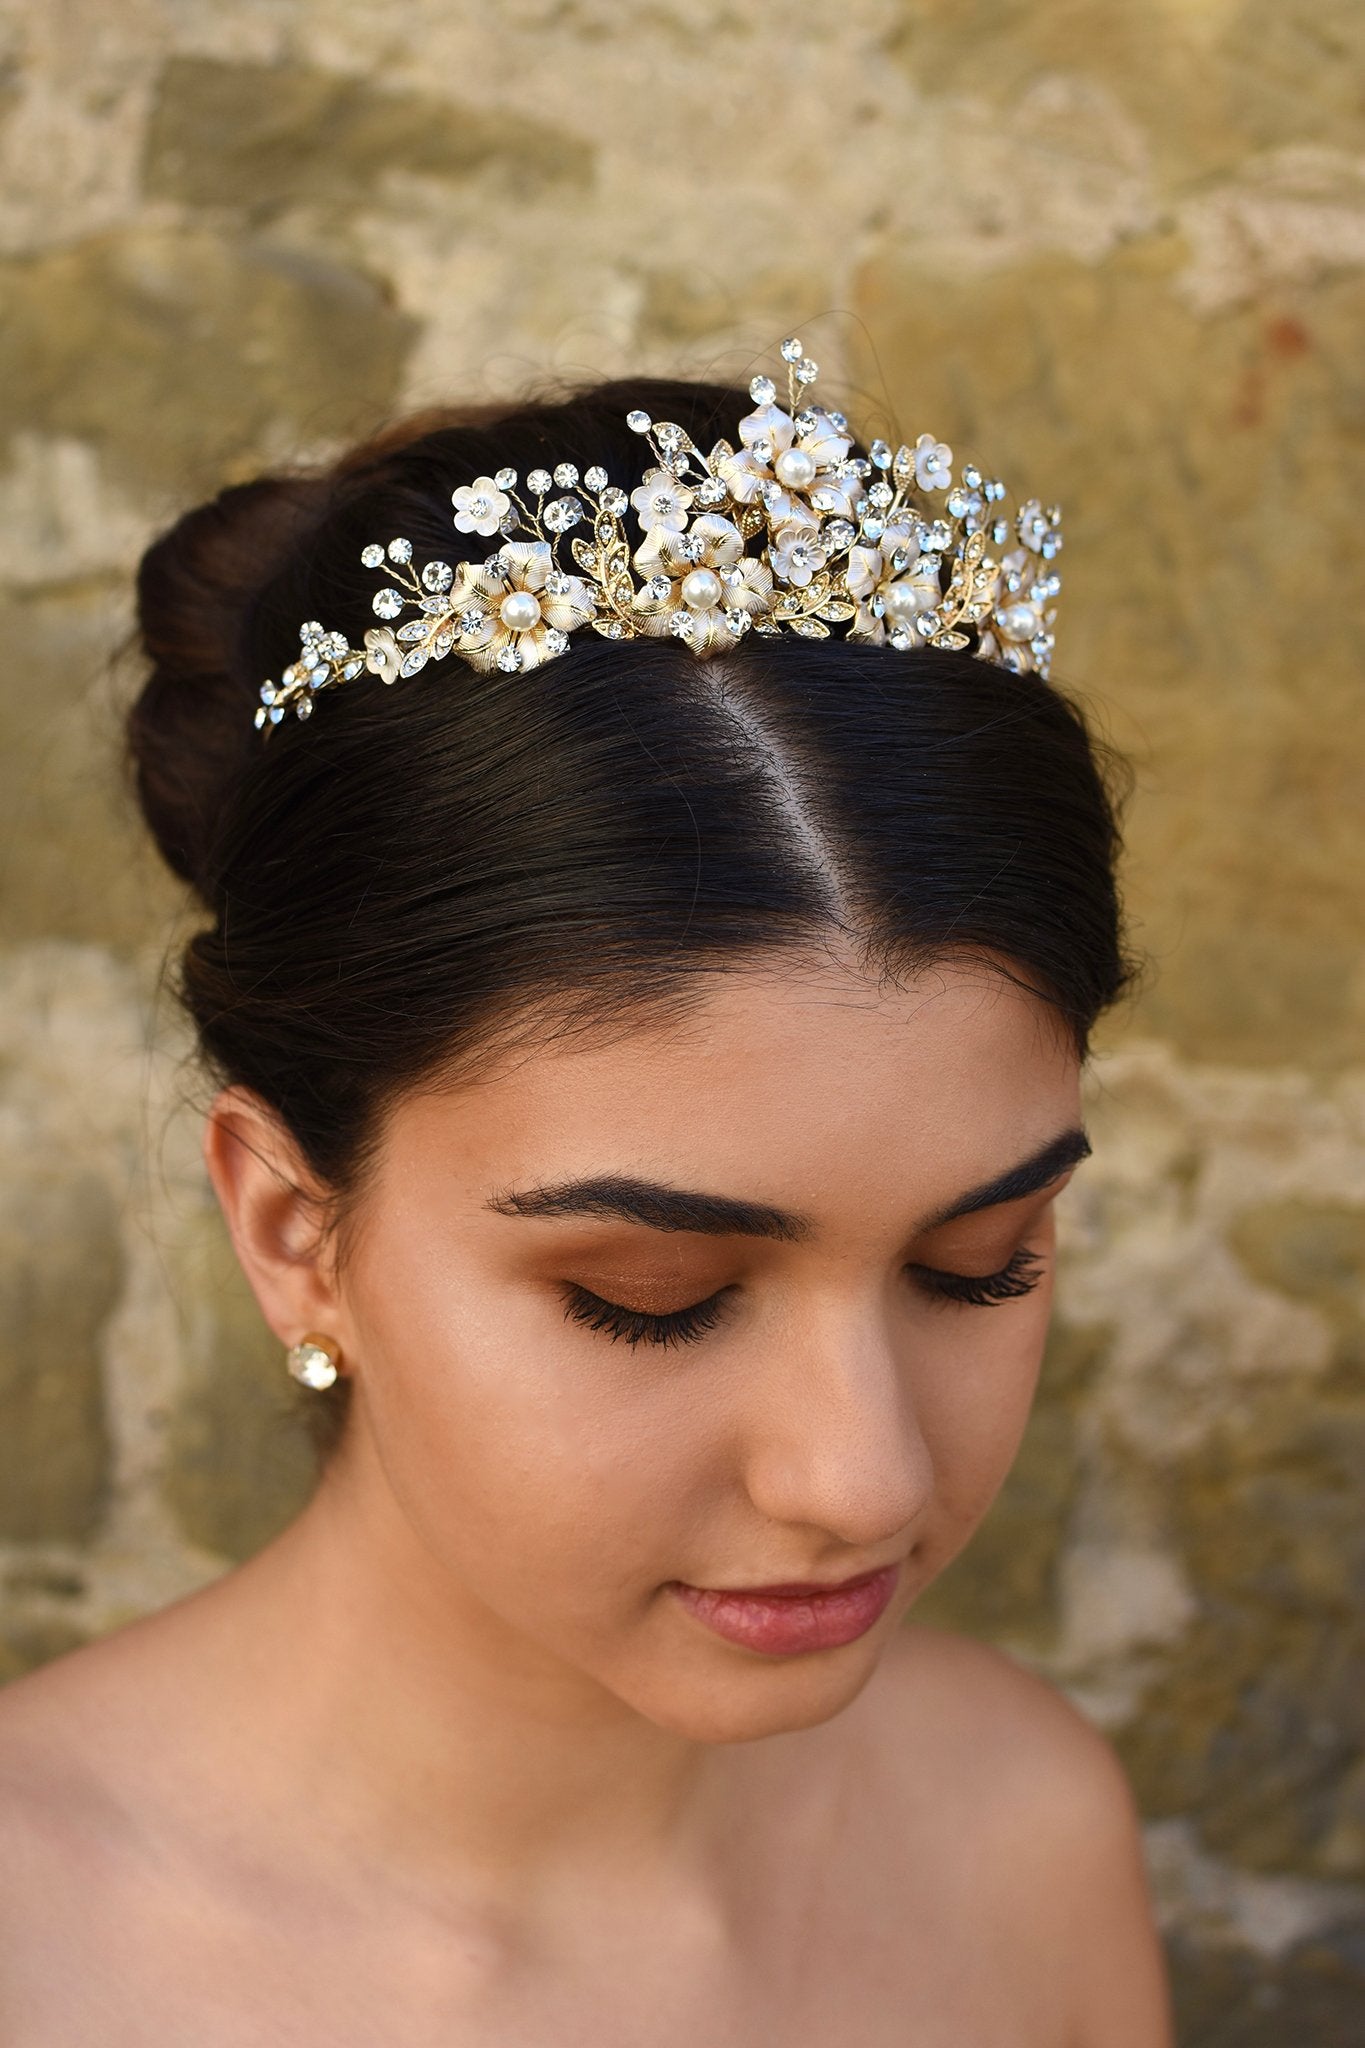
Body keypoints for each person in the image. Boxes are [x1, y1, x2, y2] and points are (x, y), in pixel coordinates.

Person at [0, 342, 1174, 2042]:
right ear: (290, 1230)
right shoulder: (42, 1957)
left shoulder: (1016, 1831)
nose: (859, 1477)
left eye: (982, 1262)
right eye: (651, 1295)